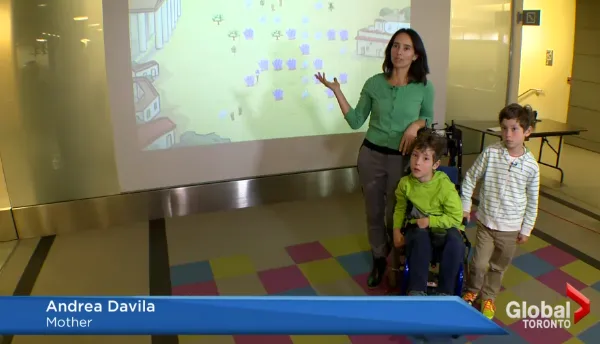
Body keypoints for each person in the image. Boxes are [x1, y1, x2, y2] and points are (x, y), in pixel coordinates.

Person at [315, 28, 434, 288]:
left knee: (396, 212)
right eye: (395, 46)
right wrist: (337, 91)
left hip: (402, 159)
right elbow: (356, 120)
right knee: (373, 212)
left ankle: (396, 255)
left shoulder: (423, 87)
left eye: (406, 48)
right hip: (371, 156)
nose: (399, 52)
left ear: (415, 56)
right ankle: (379, 258)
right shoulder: (373, 83)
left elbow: (428, 115)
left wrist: (415, 125)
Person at [461, 103, 540, 319]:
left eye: (514, 129)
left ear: (527, 131)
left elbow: (533, 200)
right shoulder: (491, 153)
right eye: (504, 128)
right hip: (486, 222)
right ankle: (472, 290)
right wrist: (465, 206)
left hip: (510, 229)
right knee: (478, 263)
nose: (508, 134)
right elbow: (470, 178)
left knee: (497, 267)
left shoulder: (531, 166)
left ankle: (489, 297)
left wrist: (526, 228)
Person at [392, 129, 465, 296]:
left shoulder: (444, 186)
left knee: (456, 243)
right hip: (418, 229)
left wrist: (430, 221)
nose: (417, 163)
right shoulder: (405, 184)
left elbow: (455, 217)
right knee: (419, 237)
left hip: (445, 227)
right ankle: (417, 290)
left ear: (435, 164)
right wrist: (396, 230)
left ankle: (445, 293)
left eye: (425, 158)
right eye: (414, 155)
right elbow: (400, 208)